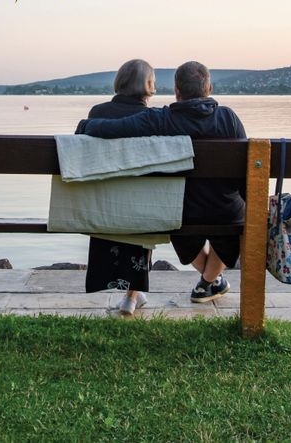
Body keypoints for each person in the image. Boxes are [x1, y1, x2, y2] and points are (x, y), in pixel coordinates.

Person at [78, 61, 246, 304]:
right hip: (227, 211)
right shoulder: (229, 118)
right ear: (209, 87)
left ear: (176, 91)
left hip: (180, 211)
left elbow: (116, 128)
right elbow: (243, 167)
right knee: (232, 223)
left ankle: (209, 282)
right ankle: (209, 283)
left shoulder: (161, 119)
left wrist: (86, 126)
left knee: (177, 228)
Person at [79, 58, 157, 315]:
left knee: (124, 199)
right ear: (147, 85)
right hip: (140, 204)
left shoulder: (96, 113)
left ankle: (131, 294)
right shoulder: (152, 118)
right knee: (143, 203)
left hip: (103, 202)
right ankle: (131, 297)